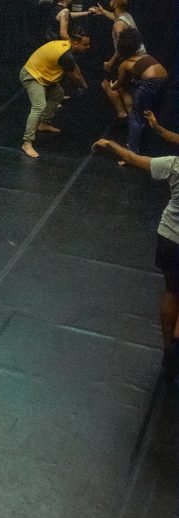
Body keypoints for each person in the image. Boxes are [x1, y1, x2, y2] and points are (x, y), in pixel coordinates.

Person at [93, 120, 179, 381]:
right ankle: (175, 348)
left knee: (172, 291)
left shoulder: (174, 165)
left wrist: (110, 144)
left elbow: (131, 159)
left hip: (169, 238)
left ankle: (168, 349)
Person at [20, 28, 91, 159]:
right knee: (39, 106)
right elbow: (75, 76)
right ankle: (27, 142)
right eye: (85, 44)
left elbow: (75, 68)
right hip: (32, 75)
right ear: (76, 43)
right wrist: (85, 87)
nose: (88, 47)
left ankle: (43, 123)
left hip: (43, 76)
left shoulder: (67, 47)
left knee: (58, 93)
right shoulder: (66, 55)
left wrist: (84, 84)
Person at [109, 29, 168, 154]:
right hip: (164, 80)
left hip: (150, 84)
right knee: (152, 111)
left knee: (136, 117)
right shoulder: (146, 56)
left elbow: (118, 84)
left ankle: (132, 151)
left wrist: (112, 86)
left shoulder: (125, 64)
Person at [90, 0, 142, 120]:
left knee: (108, 85)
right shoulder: (126, 16)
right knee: (123, 87)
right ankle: (132, 116)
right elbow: (117, 18)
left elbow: (121, 47)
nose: (110, 1)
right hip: (137, 57)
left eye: (112, 0)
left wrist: (110, 63)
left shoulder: (119, 24)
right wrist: (103, 12)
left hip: (127, 58)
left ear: (116, 4)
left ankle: (123, 114)